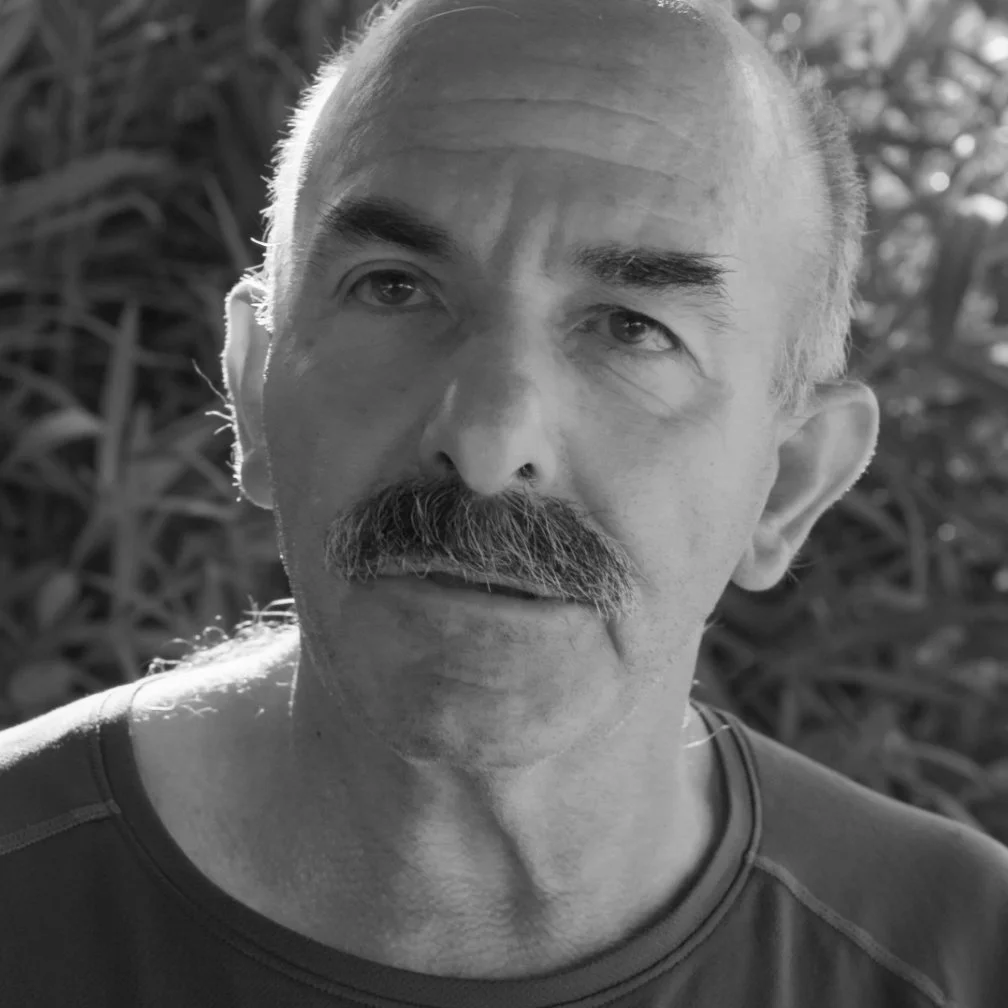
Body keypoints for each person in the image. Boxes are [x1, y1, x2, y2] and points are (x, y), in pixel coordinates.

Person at [2, 0, 1007, 1003]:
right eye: (394, 289)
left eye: (630, 329)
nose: (486, 444)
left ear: (788, 483)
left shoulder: (960, 957)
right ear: (254, 392)